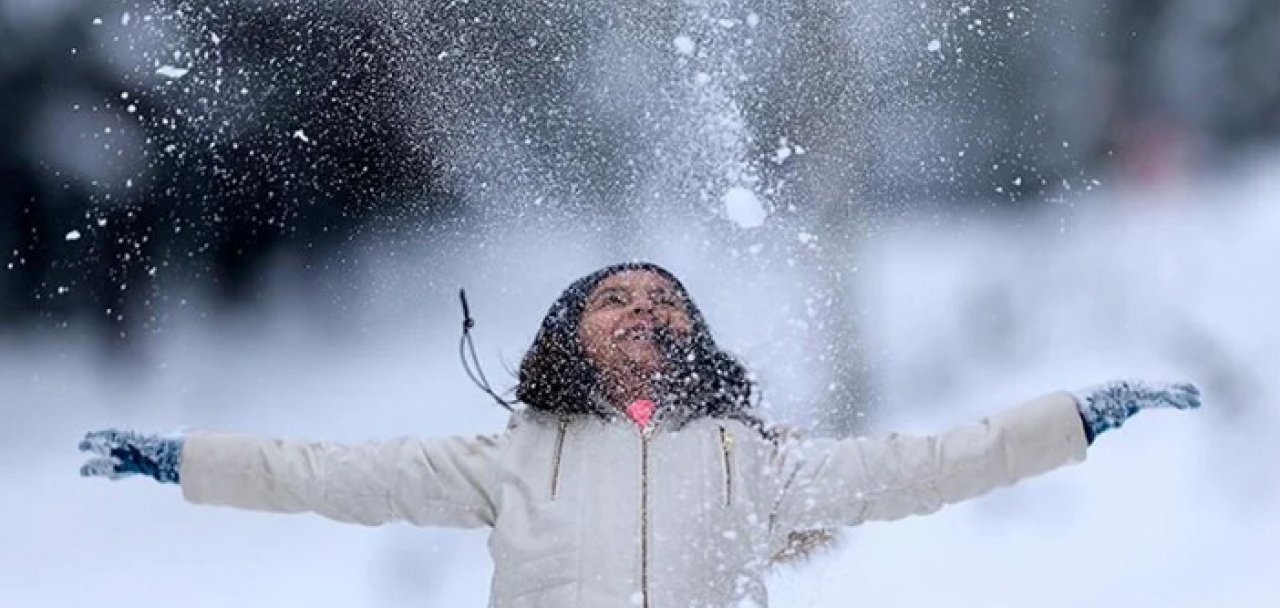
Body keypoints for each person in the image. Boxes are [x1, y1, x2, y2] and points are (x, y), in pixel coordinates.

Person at [79, 262, 1201, 607]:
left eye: (664, 299)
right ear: (568, 334)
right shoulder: (510, 457)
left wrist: (1075, 418)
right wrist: (181, 457)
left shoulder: (747, 460)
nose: (644, 309)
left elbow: (923, 466)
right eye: (615, 297)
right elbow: (325, 473)